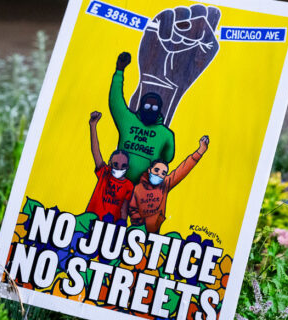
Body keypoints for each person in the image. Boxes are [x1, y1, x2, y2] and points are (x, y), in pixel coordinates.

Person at [109, 51, 175, 183]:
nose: (150, 109)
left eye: (154, 108)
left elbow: (167, 158)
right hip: (117, 183)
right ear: (141, 106)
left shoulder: (166, 134)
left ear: (159, 110)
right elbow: (116, 101)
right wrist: (119, 71)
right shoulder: (128, 120)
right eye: (147, 106)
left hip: (143, 189)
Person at [129, 136, 209, 233]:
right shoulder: (138, 188)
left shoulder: (165, 184)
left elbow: (182, 169)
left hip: (156, 231)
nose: (159, 174)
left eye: (163, 173)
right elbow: (132, 209)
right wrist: (140, 225)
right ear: (149, 170)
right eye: (156, 170)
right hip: (138, 230)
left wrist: (200, 151)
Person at [86, 111, 134, 222]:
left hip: (110, 226)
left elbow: (124, 209)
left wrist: (122, 225)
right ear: (110, 163)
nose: (119, 168)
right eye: (116, 164)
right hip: (91, 221)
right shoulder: (104, 173)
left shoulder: (128, 185)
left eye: (123, 166)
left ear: (127, 167)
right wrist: (93, 126)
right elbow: (95, 151)